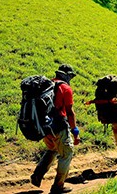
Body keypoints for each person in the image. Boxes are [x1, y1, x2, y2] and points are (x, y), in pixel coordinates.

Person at [30, 64, 80, 194]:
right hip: (59, 126)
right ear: (67, 75)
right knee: (66, 153)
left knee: (52, 149)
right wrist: (75, 132)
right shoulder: (65, 88)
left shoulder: (48, 85)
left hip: (44, 127)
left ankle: (37, 175)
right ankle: (58, 186)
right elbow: (70, 112)